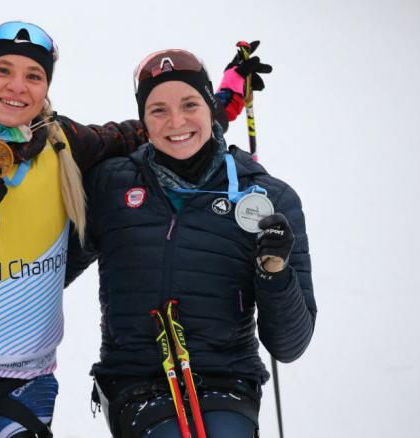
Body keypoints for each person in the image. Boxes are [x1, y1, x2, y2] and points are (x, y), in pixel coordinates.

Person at [0, 20, 267, 437]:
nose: (17, 87)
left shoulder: (62, 143)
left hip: (27, 379)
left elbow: (163, 131)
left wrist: (223, 98)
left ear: (46, 87)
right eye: (2, 70)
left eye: (34, 75)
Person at [65, 47, 316, 437]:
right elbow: (53, 270)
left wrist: (275, 271)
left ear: (208, 108)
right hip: (136, 382)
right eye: (158, 110)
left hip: (227, 380)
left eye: (189, 104)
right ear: (143, 121)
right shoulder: (111, 185)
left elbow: (289, 345)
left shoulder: (267, 199)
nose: (176, 121)